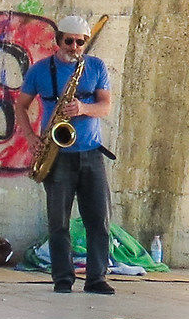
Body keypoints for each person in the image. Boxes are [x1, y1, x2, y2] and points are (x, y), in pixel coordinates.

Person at [15, 18, 115, 294]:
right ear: (58, 40)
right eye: (69, 41)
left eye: (80, 41)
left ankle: (96, 278)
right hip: (57, 154)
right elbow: (21, 106)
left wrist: (83, 108)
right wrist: (31, 138)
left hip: (91, 152)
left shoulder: (95, 67)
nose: (74, 46)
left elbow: (105, 106)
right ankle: (62, 278)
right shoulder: (39, 70)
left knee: (99, 219)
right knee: (58, 221)